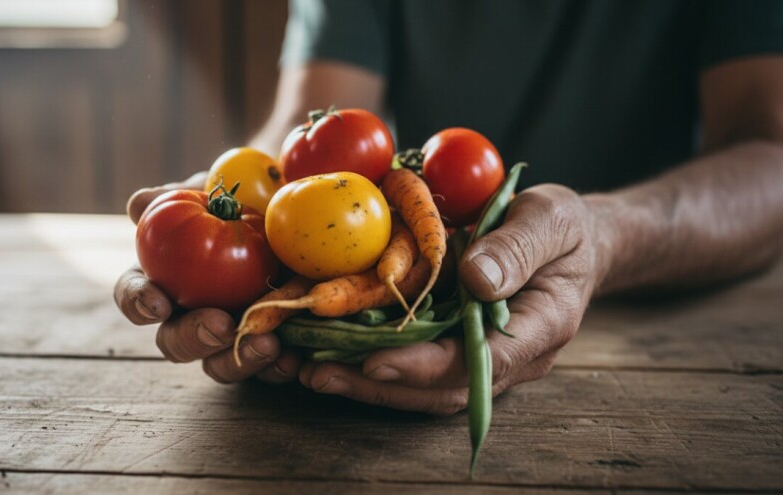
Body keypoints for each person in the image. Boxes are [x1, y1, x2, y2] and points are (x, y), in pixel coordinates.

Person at [115, 1, 783, 416]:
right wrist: (229, 216)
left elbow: (770, 153)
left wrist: (604, 236)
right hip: (422, 289)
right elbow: (310, 136)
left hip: (672, 329)